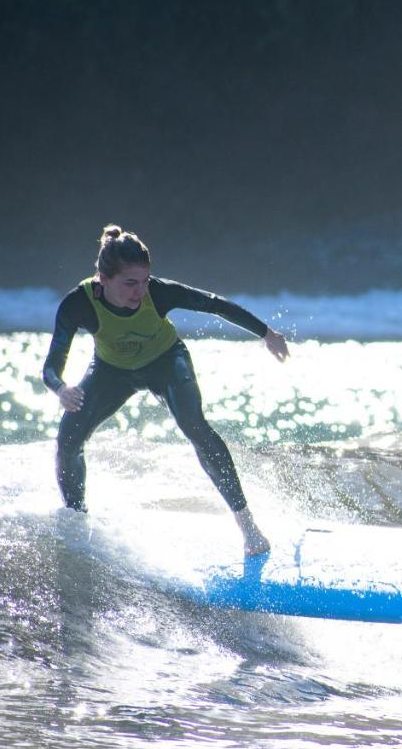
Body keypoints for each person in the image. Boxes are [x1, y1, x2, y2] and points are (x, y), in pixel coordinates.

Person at [42, 224, 289, 556]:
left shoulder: (157, 293)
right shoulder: (77, 304)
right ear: (103, 279)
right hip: (112, 371)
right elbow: (51, 364)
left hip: (165, 363)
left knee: (195, 427)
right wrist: (61, 388)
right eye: (130, 283)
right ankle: (76, 524)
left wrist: (265, 333)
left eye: (144, 281)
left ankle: (248, 527)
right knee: (68, 440)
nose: (139, 292)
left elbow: (214, 304)